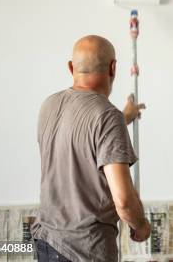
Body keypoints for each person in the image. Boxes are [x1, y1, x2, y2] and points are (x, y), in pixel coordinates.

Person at [31, 35, 151, 261]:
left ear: (71, 67)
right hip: (84, 251)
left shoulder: (49, 105)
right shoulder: (107, 117)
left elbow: (83, 136)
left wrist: (124, 117)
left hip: (46, 245)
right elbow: (123, 201)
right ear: (113, 68)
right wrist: (141, 225)